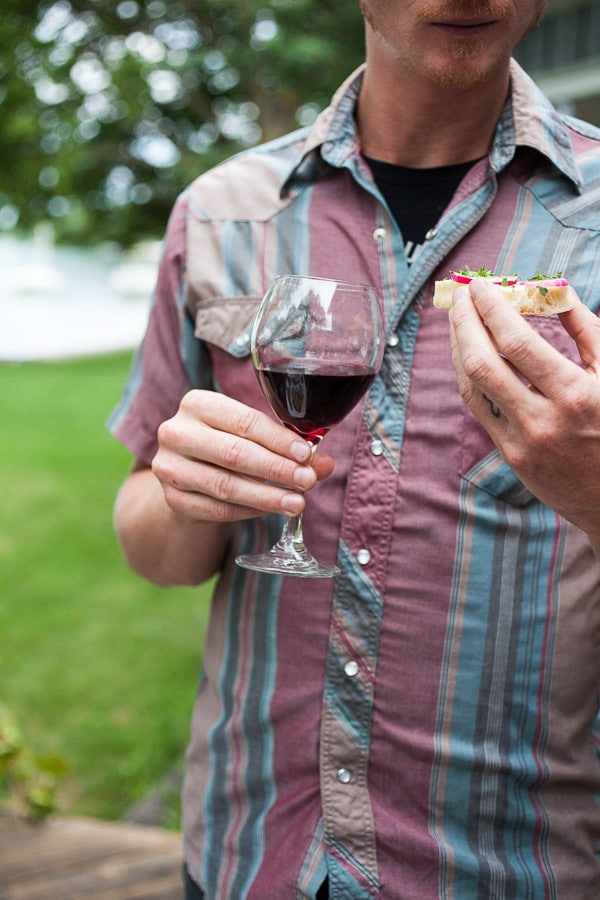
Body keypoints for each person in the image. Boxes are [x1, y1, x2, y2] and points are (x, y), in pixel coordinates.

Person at [108, 1, 600, 897]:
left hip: (523, 869)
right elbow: (153, 546)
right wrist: (180, 492)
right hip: (248, 855)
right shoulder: (223, 214)